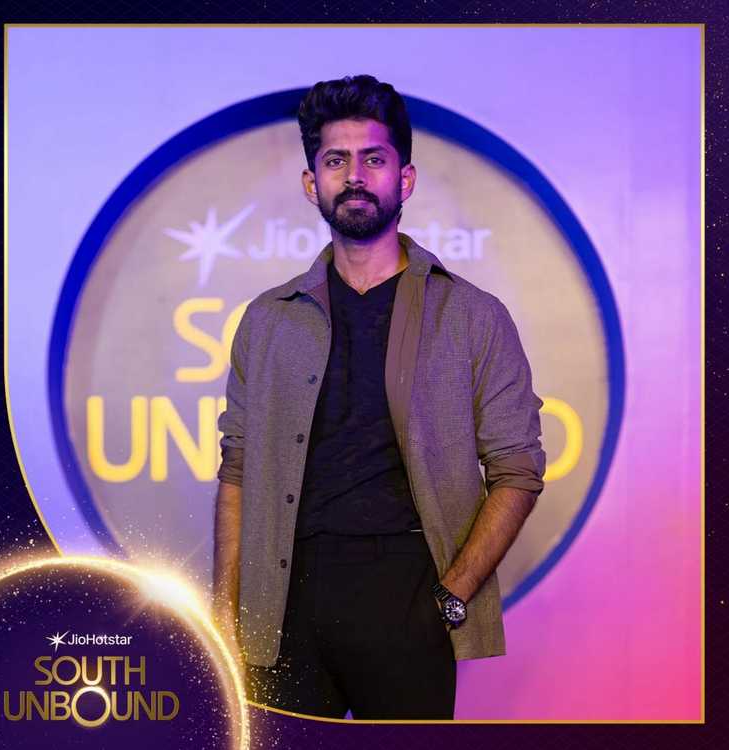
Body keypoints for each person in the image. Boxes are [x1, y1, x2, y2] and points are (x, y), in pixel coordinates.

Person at [212, 74, 545, 720]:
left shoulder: (472, 316)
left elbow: (518, 471)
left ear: (405, 179)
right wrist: (224, 610)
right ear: (311, 183)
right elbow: (238, 470)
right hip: (283, 602)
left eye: (374, 159)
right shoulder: (267, 320)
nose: (355, 176)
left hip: (409, 594)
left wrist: (451, 596)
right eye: (335, 161)